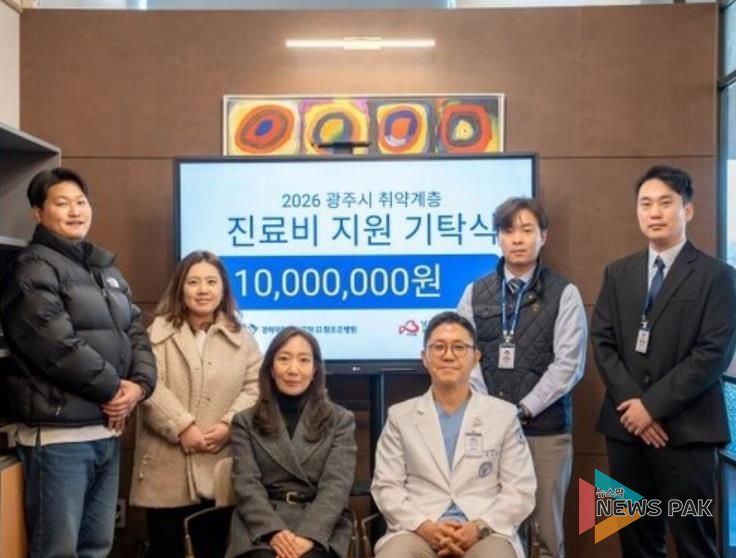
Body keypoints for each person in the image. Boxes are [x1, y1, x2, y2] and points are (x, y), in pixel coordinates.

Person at [0, 167, 156, 558]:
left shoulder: (105, 269)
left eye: (81, 202)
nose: (75, 211)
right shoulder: (31, 268)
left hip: (106, 432)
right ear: (38, 213)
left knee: (97, 547)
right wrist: (115, 389)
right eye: (62, 203)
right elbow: (55, 346)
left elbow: (136, 332)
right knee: (57, 550)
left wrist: (139, 387)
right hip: (59, 439)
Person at [590, 165, 736, 558]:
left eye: (665, 203)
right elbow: (602, 341)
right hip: (625, 431)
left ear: (687, 210)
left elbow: (713, 353)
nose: (654, 212)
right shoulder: (617, 273)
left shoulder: (718, 276)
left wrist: (651, 407)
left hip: (688, 433)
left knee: (695, 542)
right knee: (633, 540)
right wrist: (634, 407)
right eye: (646, 204)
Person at [456, 197, 587, 558]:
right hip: (486, 431)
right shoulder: (474, 292)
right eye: (508, 230)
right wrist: (493, 410)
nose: (517, 239)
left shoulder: (565, 293)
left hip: (545, 431)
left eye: (527, 230)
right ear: (497, 237)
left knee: (546, 534)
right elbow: (464, 355)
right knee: (492, 531)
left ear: (543, 236)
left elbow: (568, 364)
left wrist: (523, 409)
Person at [129, 250, 262, 558]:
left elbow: (255, 388)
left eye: (211, 282)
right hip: (166, 466)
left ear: (223, 289)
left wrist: (229, 424)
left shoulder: (243, 339)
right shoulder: (156, 334)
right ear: (180, 288)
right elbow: (148, 385)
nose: (203, 290)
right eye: (193, 282)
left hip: (218, 465)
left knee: (213, 549)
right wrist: (182, 426)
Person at [371, 311, 536, 558]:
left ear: (475, 357)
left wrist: (478, 528)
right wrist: (424, 526)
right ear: (424, 357)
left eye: (459, 347)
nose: (448, 355)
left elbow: (520, 490)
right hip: (417, 530)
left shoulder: (503, 416)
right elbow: (387, 486)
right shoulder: (400, 417)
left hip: (485, 530)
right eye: (438, 347)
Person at [226, 326, 357, 558]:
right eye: (284, 359)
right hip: (261, 527)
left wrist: (309, 535)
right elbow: (247, 485)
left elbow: (336, 486)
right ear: (271, 368)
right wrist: (274, 532)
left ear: (315, 369)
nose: (293, 370)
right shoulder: (245, 422)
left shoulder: (340, 420)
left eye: (304, 360)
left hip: (320, 525)